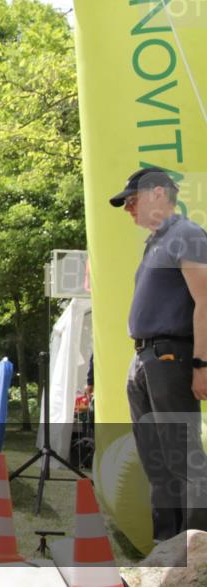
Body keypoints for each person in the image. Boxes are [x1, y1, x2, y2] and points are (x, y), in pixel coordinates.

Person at [110, 166, 207, 541]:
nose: (127, 209)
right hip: (146, 358)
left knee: (183, 457)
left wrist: (201, 363)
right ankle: (167, 548)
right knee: (156, 461)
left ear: (158, 194)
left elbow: (205, 301)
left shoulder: (187, 234)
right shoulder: (155, 242)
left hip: (172, 356)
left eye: (131, 200)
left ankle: (197, 551)